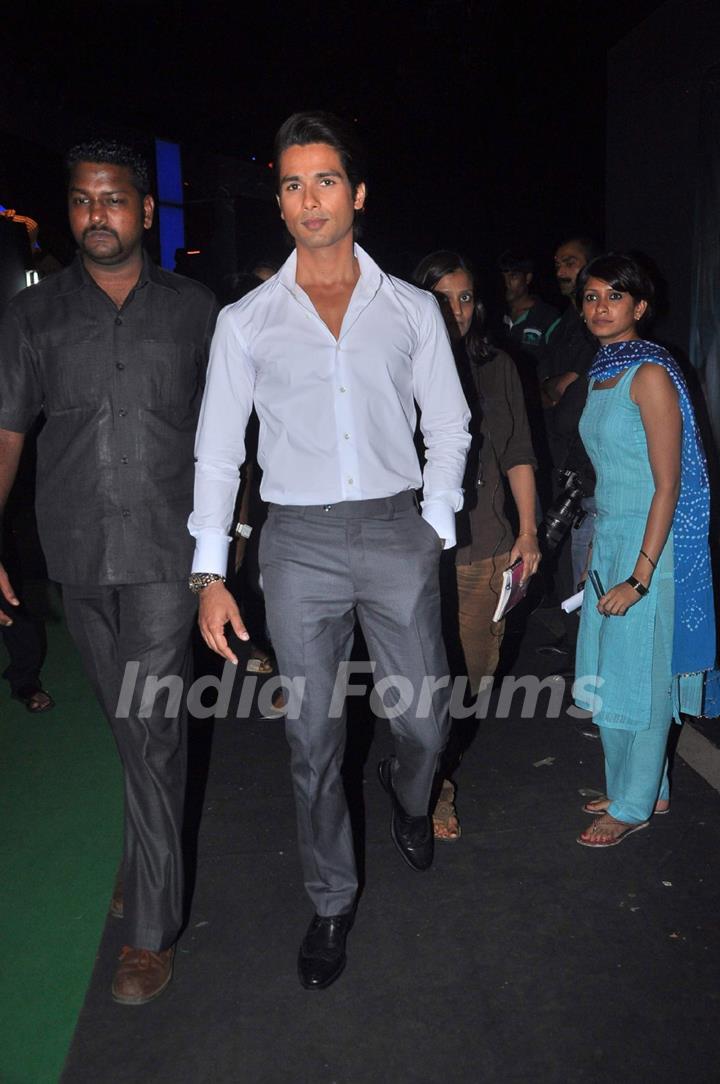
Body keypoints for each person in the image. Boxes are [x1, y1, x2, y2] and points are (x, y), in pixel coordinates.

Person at [189, 111, 470, 989]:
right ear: (278, 200)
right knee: (311, 737)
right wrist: (209, 570)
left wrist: (438, 522)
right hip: (297, 543)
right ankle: (331, 900)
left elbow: (451, 424)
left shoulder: (412, 309)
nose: (308, 199)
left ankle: (409, 796)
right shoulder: (246, 320)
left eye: (323, 181)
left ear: (356, 194)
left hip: (396, 531)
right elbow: (217, 449)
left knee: (423, 720)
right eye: (290, 183)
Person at [0, 140, 217, 1003]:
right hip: (78, 555)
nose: (98, 214)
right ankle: (148, 853)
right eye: (84, 200)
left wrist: (229, 546)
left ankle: (149, 933)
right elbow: (8, 429)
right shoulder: (33, 317)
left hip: (170, 554)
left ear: (145, 210)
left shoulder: (198, 310)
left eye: (114, 199)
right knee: (129, 723)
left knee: (155, 726)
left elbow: (231, 431)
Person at [573, 253, 717, 847]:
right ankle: (644, 786)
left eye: (614, 297)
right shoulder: (603, 369)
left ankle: (632, 806)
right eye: (590, 297)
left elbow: (668, 484)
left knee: (644, 678)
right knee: (608, 674)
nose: (600, 308)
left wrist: (640, 574)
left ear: (639, 307)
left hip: (649, 547)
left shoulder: (650, 373)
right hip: (610, 537)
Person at [413, 250, 541, 840]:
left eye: (465, 298)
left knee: (472, 681)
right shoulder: (395, 364)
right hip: (413, 555)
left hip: (486, 549)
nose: (456, 310)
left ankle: (434, 767)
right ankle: (431, 785)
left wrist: (529, 532)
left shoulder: (498, 366)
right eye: (442, 298)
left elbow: (517, 453)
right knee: (419, 680)